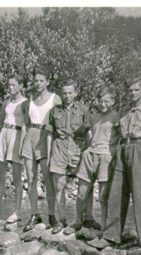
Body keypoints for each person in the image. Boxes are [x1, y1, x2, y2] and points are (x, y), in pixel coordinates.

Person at [94, 79, 141, 253]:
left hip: (139, 148)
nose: (133, 93)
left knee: (140, 195)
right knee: (116, 194)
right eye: (130, 90)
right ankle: (111, 236)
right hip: (122, 149)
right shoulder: (123, 111)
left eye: (136, 90)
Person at [67, 87, 119, 236]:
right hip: (90, 156)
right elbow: (83, 134)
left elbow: (122, 137)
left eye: (106, 101)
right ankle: (78, 221)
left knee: (103, 196)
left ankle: (104, 227)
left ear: (113, 101)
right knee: (81, 193)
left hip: (106, 157)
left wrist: (113, 154)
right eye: (100, 101)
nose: (103, 104)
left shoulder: (116, 117)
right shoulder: (93, 117)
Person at [48, 79, 91, 234]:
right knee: (58, 186)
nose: (67, 96)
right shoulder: (54, 111)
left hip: (77, 149)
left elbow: (88, 133)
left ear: (75, 93)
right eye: (64, 93)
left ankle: (81, 220)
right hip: (59, 148)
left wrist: (88, 152)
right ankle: (61, 220)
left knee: (83, 186)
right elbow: (50, 133)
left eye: (70, 93)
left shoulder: (84, 110)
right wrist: (48, 153)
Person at [20, 68, 60, 232]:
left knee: (48, 179)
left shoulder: (54, 99)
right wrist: (21, 144)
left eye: (41, 81)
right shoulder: (30, 99)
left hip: (47, 136)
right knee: (31, 178)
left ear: (47, 82)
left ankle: (52, 214)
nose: (38, 84)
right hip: (31, 136)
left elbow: (60, 119)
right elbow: (25, 123)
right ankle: (34, 214)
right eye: (36, 81)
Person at [0, 74, 28, 223]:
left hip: (17, 134)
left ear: (20, 86)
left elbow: (27, 124)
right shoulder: (6, 102)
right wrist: (1, 135)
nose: (11, 88)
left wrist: (22, 144)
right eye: (9, 85)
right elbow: (0, 121)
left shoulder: (25, 103)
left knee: (17, 177)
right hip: (5, 133)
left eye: (13, 85)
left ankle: (17, 211)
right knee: (0, 175)